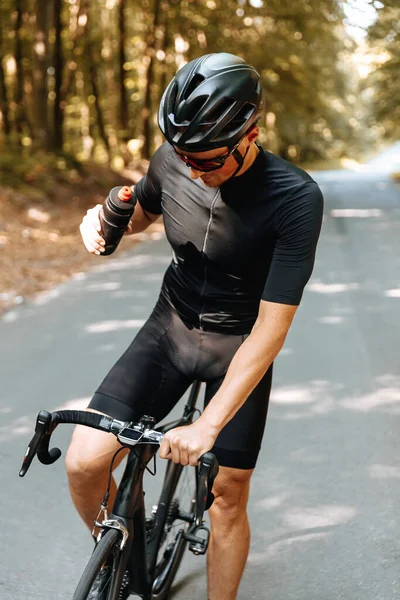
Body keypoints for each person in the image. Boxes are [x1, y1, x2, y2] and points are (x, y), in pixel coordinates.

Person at [67, 52, 324, 600]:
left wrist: (207, 426)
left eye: (207, 161)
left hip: (241, 343)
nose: (193, 170)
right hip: (171, 329)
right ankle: (129, 562)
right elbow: (143, 210)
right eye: (183, 157)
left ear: (250, 134)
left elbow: (272, 329)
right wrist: (106, 219)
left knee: (227, 493)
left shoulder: (295, 198)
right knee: (84, 463)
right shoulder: (175, 159)